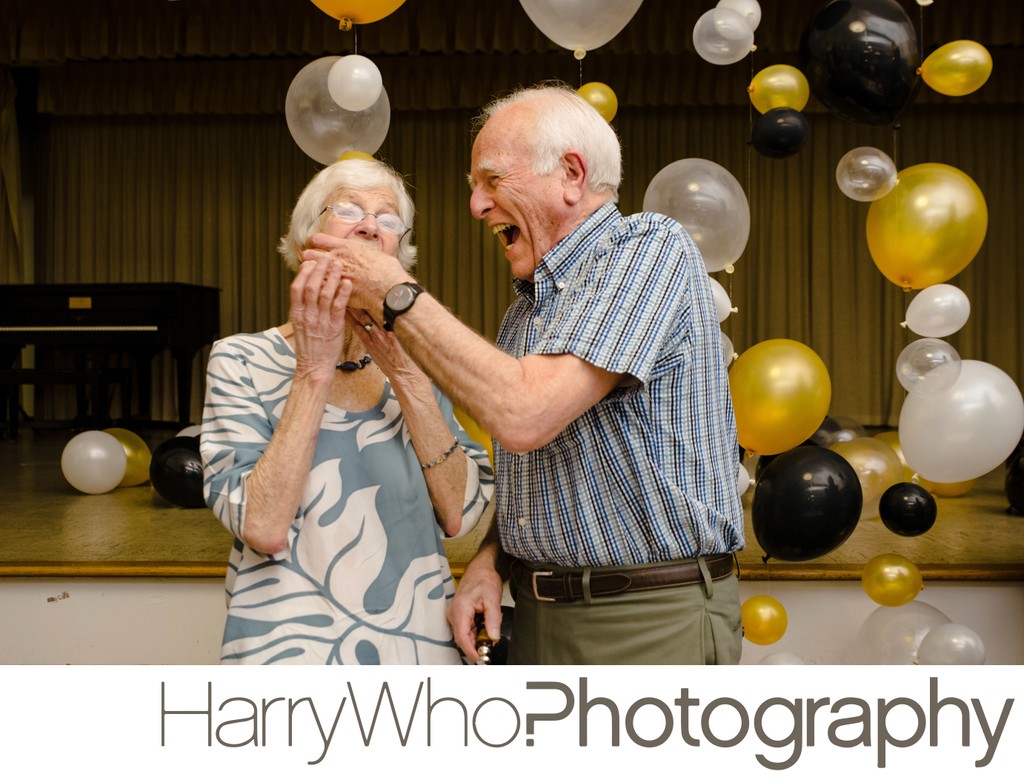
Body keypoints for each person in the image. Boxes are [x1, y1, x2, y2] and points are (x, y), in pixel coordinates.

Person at [307, 84, 745, 664]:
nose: (476, 206)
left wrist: (391, 290)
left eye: (491, 180)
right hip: (540, 615)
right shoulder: (525, 315)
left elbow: (526, 413)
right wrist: (491, 562)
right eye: (474, 188)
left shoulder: (649, 250)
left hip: (648, 619)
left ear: (570, 174)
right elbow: (538, 478)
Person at [200, 158, 494, 665]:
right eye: (349, 209)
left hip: (417, 647)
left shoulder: (421, 361)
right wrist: (314, 369)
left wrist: (407, 377)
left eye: (387, 219)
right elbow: (263, 527)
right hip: (285, 651)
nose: (368, 225)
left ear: (398, 257)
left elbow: (461, 514)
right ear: (302, 244)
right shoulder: (240, 360)